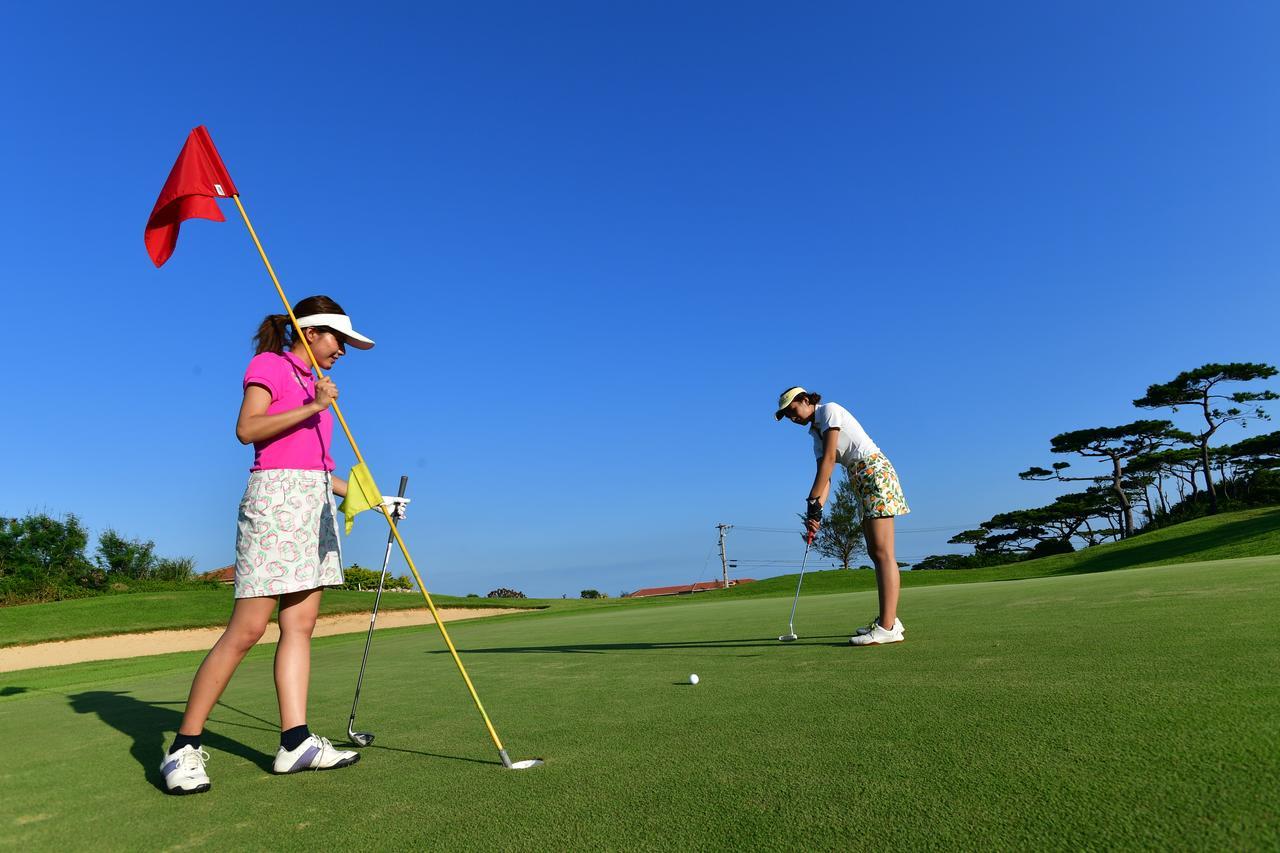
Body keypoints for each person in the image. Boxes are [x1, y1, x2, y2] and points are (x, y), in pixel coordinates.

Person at [162, 295, 407, 795]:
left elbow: (316, 469)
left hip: (312, 502)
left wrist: (373, 498)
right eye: (339, 340)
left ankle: (295, 742)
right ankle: (182, 748)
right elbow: (246, 429)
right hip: (274, 501)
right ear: (310, 332)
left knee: (301, 624)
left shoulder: (320, 387)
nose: (344, 350)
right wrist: (313, 405)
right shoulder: (270, 365)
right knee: (248, 628)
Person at [775, 386, 910, 646]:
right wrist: (816, 512)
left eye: (792, 411)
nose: (792, 418)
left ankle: (887, 627)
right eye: (787, 417)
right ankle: (890, 619)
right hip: (859, 478)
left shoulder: (829, 411)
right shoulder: (816, 434)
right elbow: (825, 478)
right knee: (875, 552)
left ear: (806, 400)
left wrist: (812, 500)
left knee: (883, 553)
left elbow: (828, 460)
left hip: (873, 472)